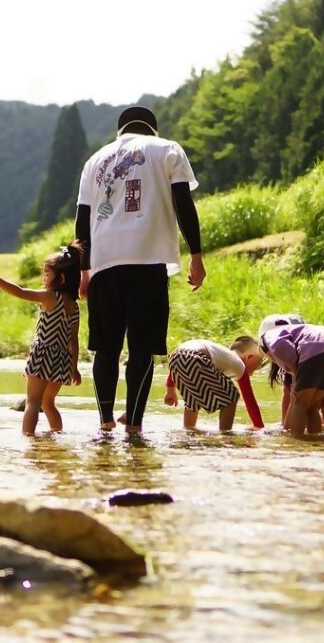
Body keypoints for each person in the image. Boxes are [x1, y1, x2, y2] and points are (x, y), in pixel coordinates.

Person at [75, 105, 204, 434]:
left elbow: (82, 220)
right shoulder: (168, 149)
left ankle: (105, 422)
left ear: (120, 132)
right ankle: (133, 424)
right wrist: (196, 255)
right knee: (142, 348)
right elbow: (183, 204)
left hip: (104, 263)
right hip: (149, 261)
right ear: (153, 129)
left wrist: (84, 270)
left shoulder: (95, 161)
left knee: (106, 348)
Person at [0, 242, 84, 435]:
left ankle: (27, 437)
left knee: (33, 402)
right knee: (49, 403)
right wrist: (74, 367)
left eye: (46, 274)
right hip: (62, 359)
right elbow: (74, 340)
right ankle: (56, 434)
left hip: (43, 354)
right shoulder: (74, 306)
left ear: (60, 278)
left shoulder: (50, 297)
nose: (43, 278)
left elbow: (20, 292)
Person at [260, 323, 324, 436]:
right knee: (313, 406)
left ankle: (295, 443)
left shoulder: (267, 337)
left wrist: (297, 374)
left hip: (316, 350)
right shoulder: (299, 330)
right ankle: (315, 443)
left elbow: (281, 346)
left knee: (301, 403)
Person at [163, 336, 264, 430]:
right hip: (195, 358)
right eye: (255, 367)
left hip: (175, 358)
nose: (251, 374)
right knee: (231, 397)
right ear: (249, 357)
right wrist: (259, 427)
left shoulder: (223, 355)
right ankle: (225, 435)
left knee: (192, 400)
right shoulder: (239, 365)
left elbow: (183, 358)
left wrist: (170, 389)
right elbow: (250, 401)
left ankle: (189, 430)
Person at [252, 313, 305, 427]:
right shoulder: (278, 348)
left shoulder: (296, 348)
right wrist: (284, 425)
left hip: (310, 357)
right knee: (290, 390)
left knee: (307, 398)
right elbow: (287, 392)